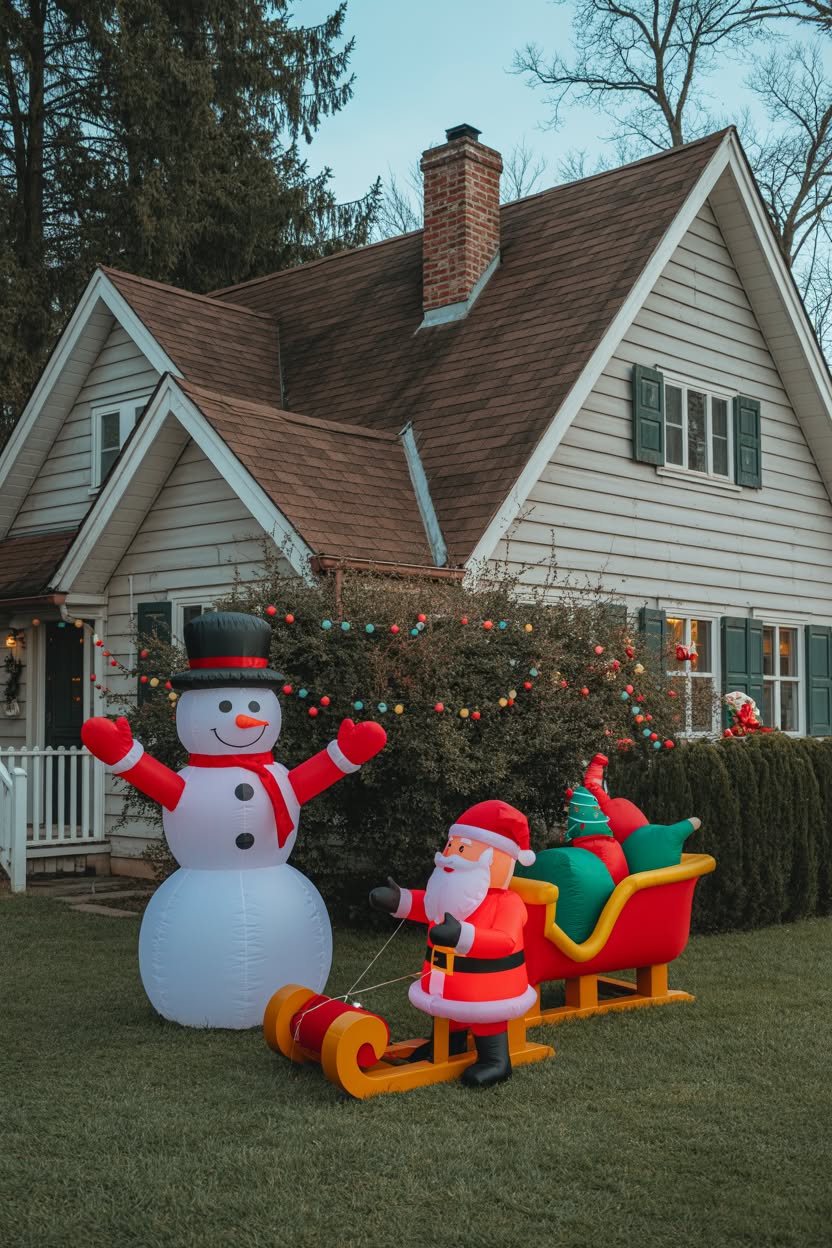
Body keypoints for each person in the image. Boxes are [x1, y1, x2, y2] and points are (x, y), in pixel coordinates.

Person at [370, 800, 537, 1089]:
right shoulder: (452, 896)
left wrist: (463, 936)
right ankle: (448, 1043)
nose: (448, 857)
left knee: (486, 1018)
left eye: (461, 849)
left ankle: (496, 1060)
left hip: (489, 989)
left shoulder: (507, 903)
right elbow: (429, 905)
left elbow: (505, 941)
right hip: (443, 979)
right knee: (447, 1011)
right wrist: (401, 902)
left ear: (495, 857)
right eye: (451, 847)